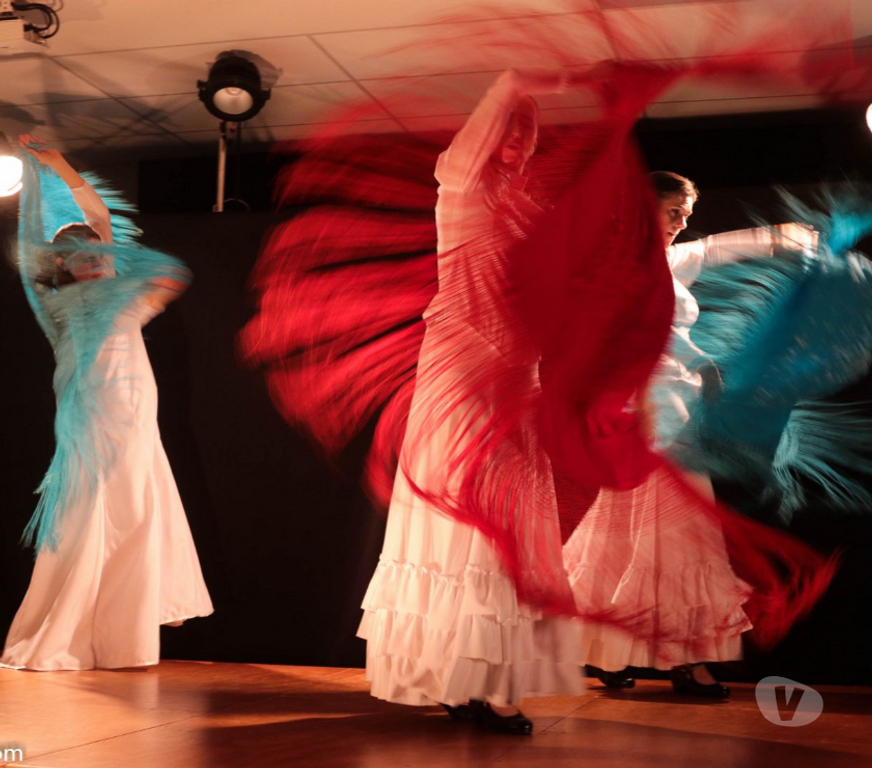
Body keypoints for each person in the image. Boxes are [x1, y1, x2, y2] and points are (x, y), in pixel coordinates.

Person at [356, 70, 584, 734]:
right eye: (509, 130)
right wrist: (510, 85)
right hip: (464, 372)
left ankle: (481, 682)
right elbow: (471, 147)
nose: (518, 143)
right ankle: (463, 682)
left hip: (518, 374)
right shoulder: (460, 188)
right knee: (473, 517)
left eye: (527, 133)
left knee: (510, 520)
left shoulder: (530, 211)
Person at [1, 137, 213, 671]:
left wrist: (56, 163)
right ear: (63, 266)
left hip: (136, 409)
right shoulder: (57, 302)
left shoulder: (117, 285)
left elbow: (98, 217)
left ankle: (124, 629)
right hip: (90, 416)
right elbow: (34, 242)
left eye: (100, 253)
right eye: (83, 257)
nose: (96, 260)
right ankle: (77, 630)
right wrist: (32, 183)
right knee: (95, 511)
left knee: (135, 507)